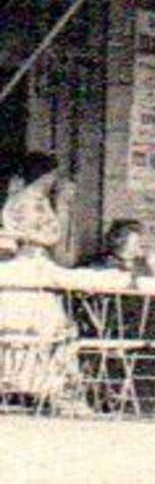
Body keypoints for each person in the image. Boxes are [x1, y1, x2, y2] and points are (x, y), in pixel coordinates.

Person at [0, 154, 78, 407]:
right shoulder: (30, 200)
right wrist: (63, 207)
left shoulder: (27, 200)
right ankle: (28, 384)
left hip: (30, 265)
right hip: (29, 265)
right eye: (52, 175)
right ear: (45, 175)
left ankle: (26, 383)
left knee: (34, 325)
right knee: (36, 323)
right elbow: (52, 236)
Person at [88, 220, 155, 278]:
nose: (143, 244)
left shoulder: (142, 263)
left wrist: (154, 267)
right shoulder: (102, 263)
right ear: (119, 242)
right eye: (137, 242)